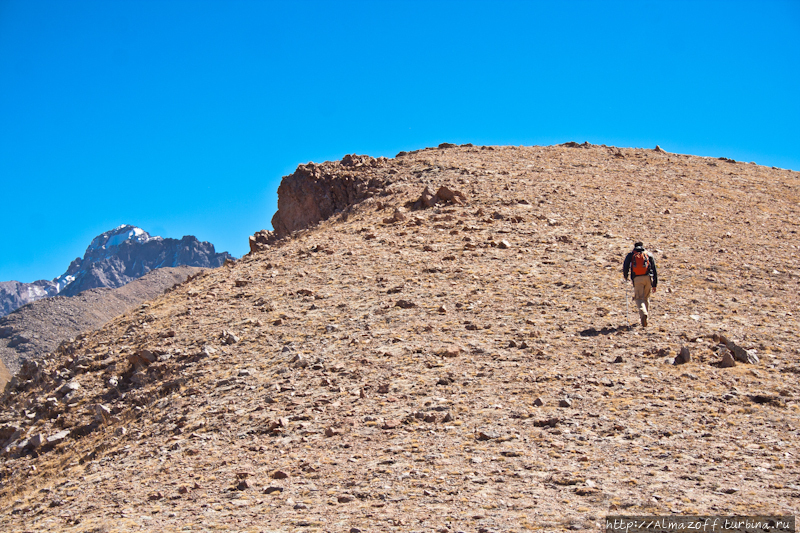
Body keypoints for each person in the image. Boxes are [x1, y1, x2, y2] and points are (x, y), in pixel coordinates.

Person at [622, 241, 658, 327]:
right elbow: (654, 269)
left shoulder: (631, 255)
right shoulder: (648, 254)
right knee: (646, 298)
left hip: (637, 278)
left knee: (638, 298)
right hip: (648, 278)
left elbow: (625, 266)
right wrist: (654, 284)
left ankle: (643, 314)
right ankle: (646, 318)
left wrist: (626, 276)